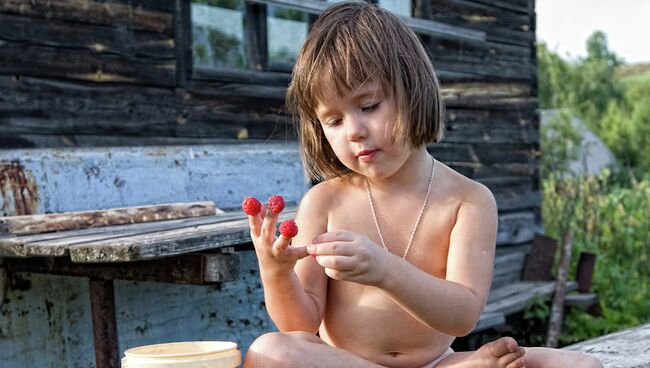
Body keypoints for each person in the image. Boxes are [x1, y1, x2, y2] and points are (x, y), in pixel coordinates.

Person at [243, 2, 602, 367]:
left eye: (368, 106)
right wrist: (276, 273)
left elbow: (462, 317)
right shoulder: (324, 202)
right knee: (269, 351)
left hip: (438, 361)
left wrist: (385, 271)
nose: (354, 131)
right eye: (333, 120)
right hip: (348, 363)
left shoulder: (468, 200)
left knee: (581, 365)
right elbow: (299, 325)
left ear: (414, 93)